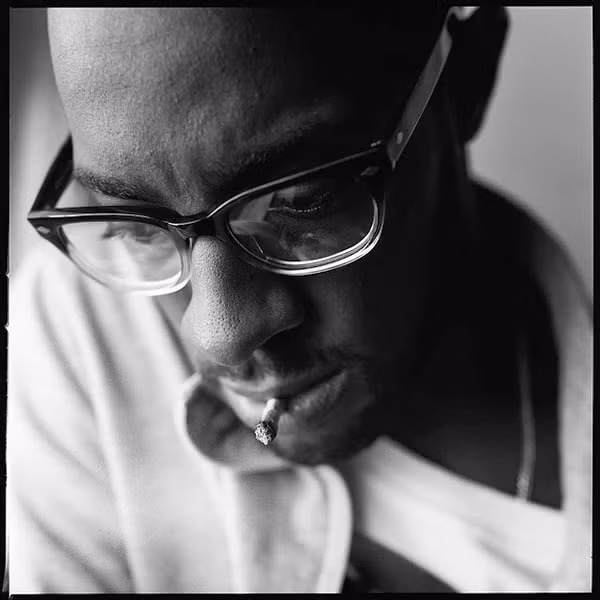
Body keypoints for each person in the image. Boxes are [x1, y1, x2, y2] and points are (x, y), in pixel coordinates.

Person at [7, 6, 592, 593]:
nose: (216, 335)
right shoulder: (82, 337)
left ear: (466, 72)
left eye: (300, 202)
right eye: (136, 227)